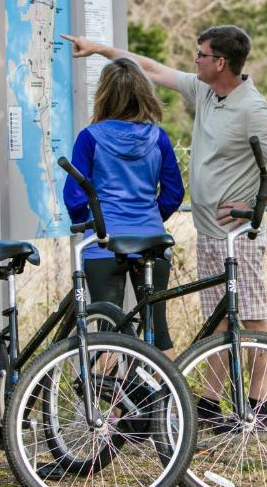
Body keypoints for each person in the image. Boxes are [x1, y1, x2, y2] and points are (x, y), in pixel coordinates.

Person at [60, 26, 267, 427]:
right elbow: (151, 69)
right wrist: (99, 50)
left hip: (238, 234)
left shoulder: (252, 108)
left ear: (220, 62)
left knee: (251, 317)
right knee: (217, 320)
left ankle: (258, 405)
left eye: (200, 54)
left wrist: (257, 204)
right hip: (207, 231)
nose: (194, 60)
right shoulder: (205, 92)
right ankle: (204, 404)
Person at [62, 57, 184, 356]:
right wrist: (150, 219)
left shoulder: (90, 138)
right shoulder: (159, 138)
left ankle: (113, 402)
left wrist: (90, 223)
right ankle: (169, 400)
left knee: (108, 331)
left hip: (103, 242)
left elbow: (74, 196)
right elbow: (173, 193)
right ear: (144, 92)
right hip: (151, 242)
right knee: (158, 330)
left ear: (104, 94)